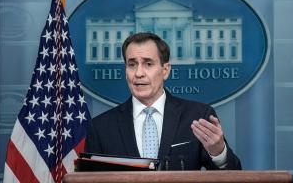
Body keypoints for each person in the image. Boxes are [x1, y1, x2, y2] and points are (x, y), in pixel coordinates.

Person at [86, 32, 242, 170]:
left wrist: (219, 153)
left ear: (165, 70)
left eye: (148, 64)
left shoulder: (198, 116)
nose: (139, 73)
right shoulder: (100, 128)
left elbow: (233, 178)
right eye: (132, 64)